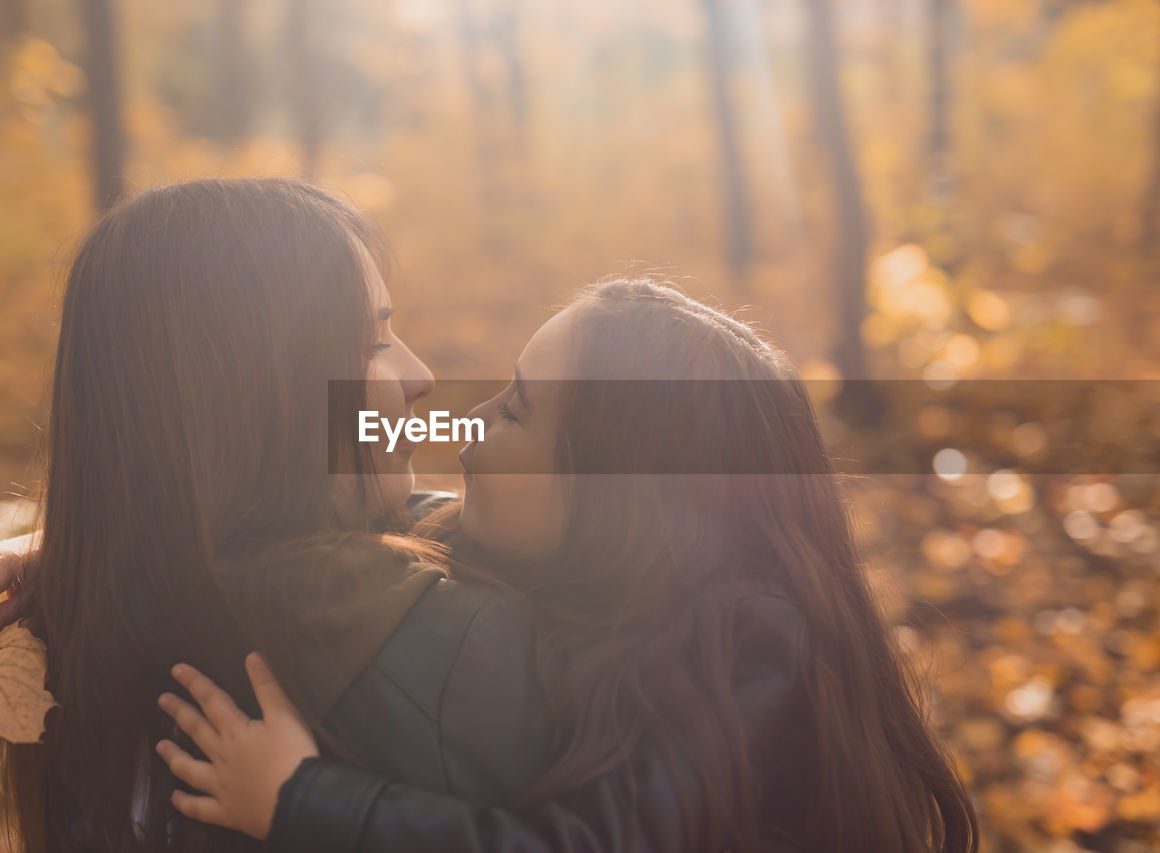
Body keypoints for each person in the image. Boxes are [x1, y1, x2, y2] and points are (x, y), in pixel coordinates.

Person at [154, 278, 980, 853]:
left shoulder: (748, 638)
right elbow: (391, 523)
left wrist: (301, 802)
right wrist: (69, 549)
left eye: (514, 408)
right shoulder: (599, 573)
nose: (468, 421)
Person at [0, 177, 553, 853]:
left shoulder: (72, 642)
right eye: (374, 343)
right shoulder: (449, 642)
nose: (421, 375)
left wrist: (90, 542)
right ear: (260, 394)